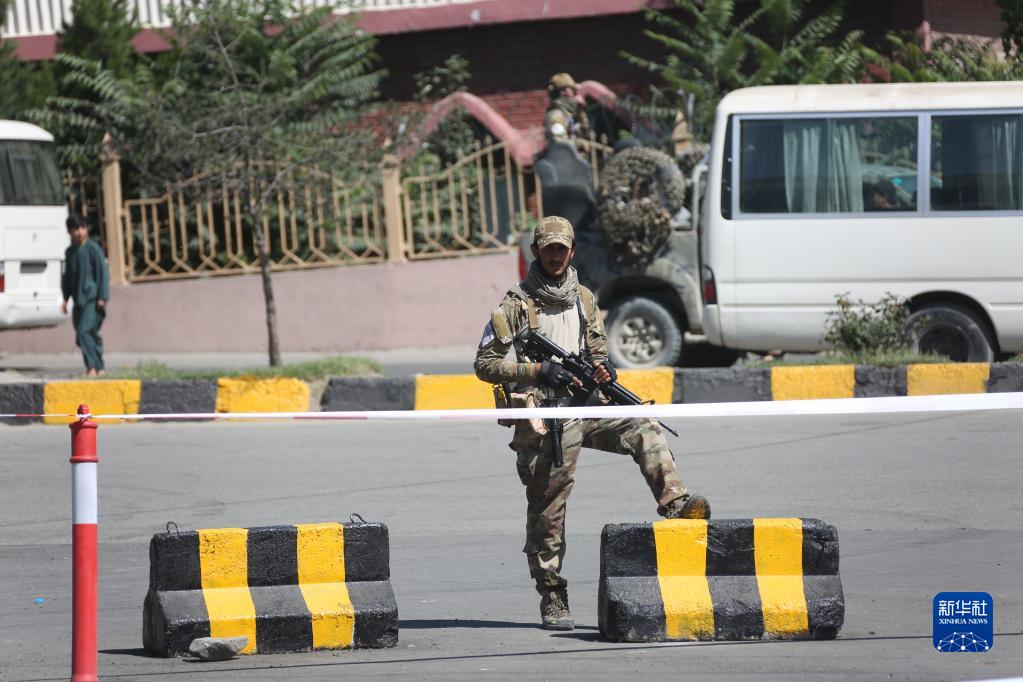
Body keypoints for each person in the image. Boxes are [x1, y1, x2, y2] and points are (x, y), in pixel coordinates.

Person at [474, 215, 710, 631]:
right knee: (549, 506)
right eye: (548, 249)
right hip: (546, 417)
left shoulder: (583, 298)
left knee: (643, 424)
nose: (555, 256)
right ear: (536, 251)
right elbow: (485, 364)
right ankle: (552, 592)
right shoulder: (516, 305)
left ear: (571, 252)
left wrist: (603, 370)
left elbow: (597, 351)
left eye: (561, 249)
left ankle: (676, 504)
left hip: (586, 404)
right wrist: (538, 370)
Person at [61, 214, 110, 376]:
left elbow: (102, 273)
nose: (80, 232)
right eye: (76, 229)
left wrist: (102, 297)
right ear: (69, 231)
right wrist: (65, 298)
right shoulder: (70, 252)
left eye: (82, 228)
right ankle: (98, 368)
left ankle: (92, 367)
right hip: (78, 300)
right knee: (84, 335)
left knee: (83, 332)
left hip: (92, 299)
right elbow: (68, 277)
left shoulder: (93, 249)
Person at [546, 73, 591, 139]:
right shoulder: (556, 111)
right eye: (563, 89)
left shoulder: (577, 108)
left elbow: (586, 129)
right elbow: (559, 138)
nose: (572, 92)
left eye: (572, 89)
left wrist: (581, 110)